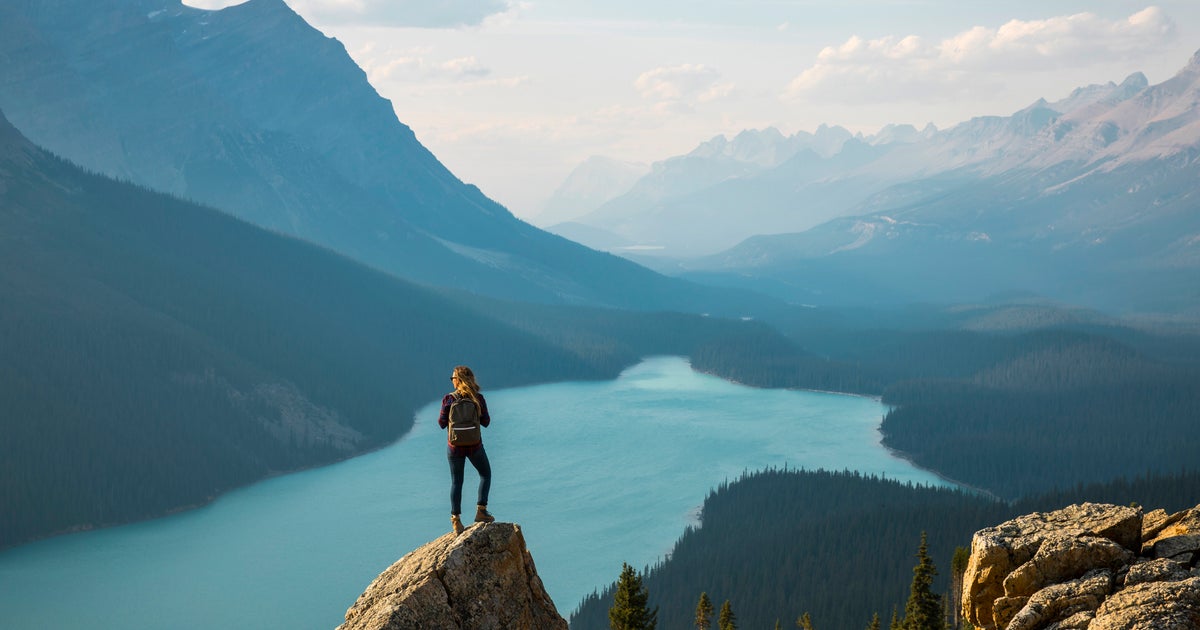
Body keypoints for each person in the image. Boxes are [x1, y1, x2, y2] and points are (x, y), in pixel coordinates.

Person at [438, 365, 495, 535]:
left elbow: (441, 423)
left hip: (454, 447)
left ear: (459, 380)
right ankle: (481, 511)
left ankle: (456, 521)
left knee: (457, 482)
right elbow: (486, 422)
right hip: (474, 446)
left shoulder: (449, 399)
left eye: (453, 378)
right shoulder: (478, 398)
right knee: (485, 474)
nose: (452, 380)